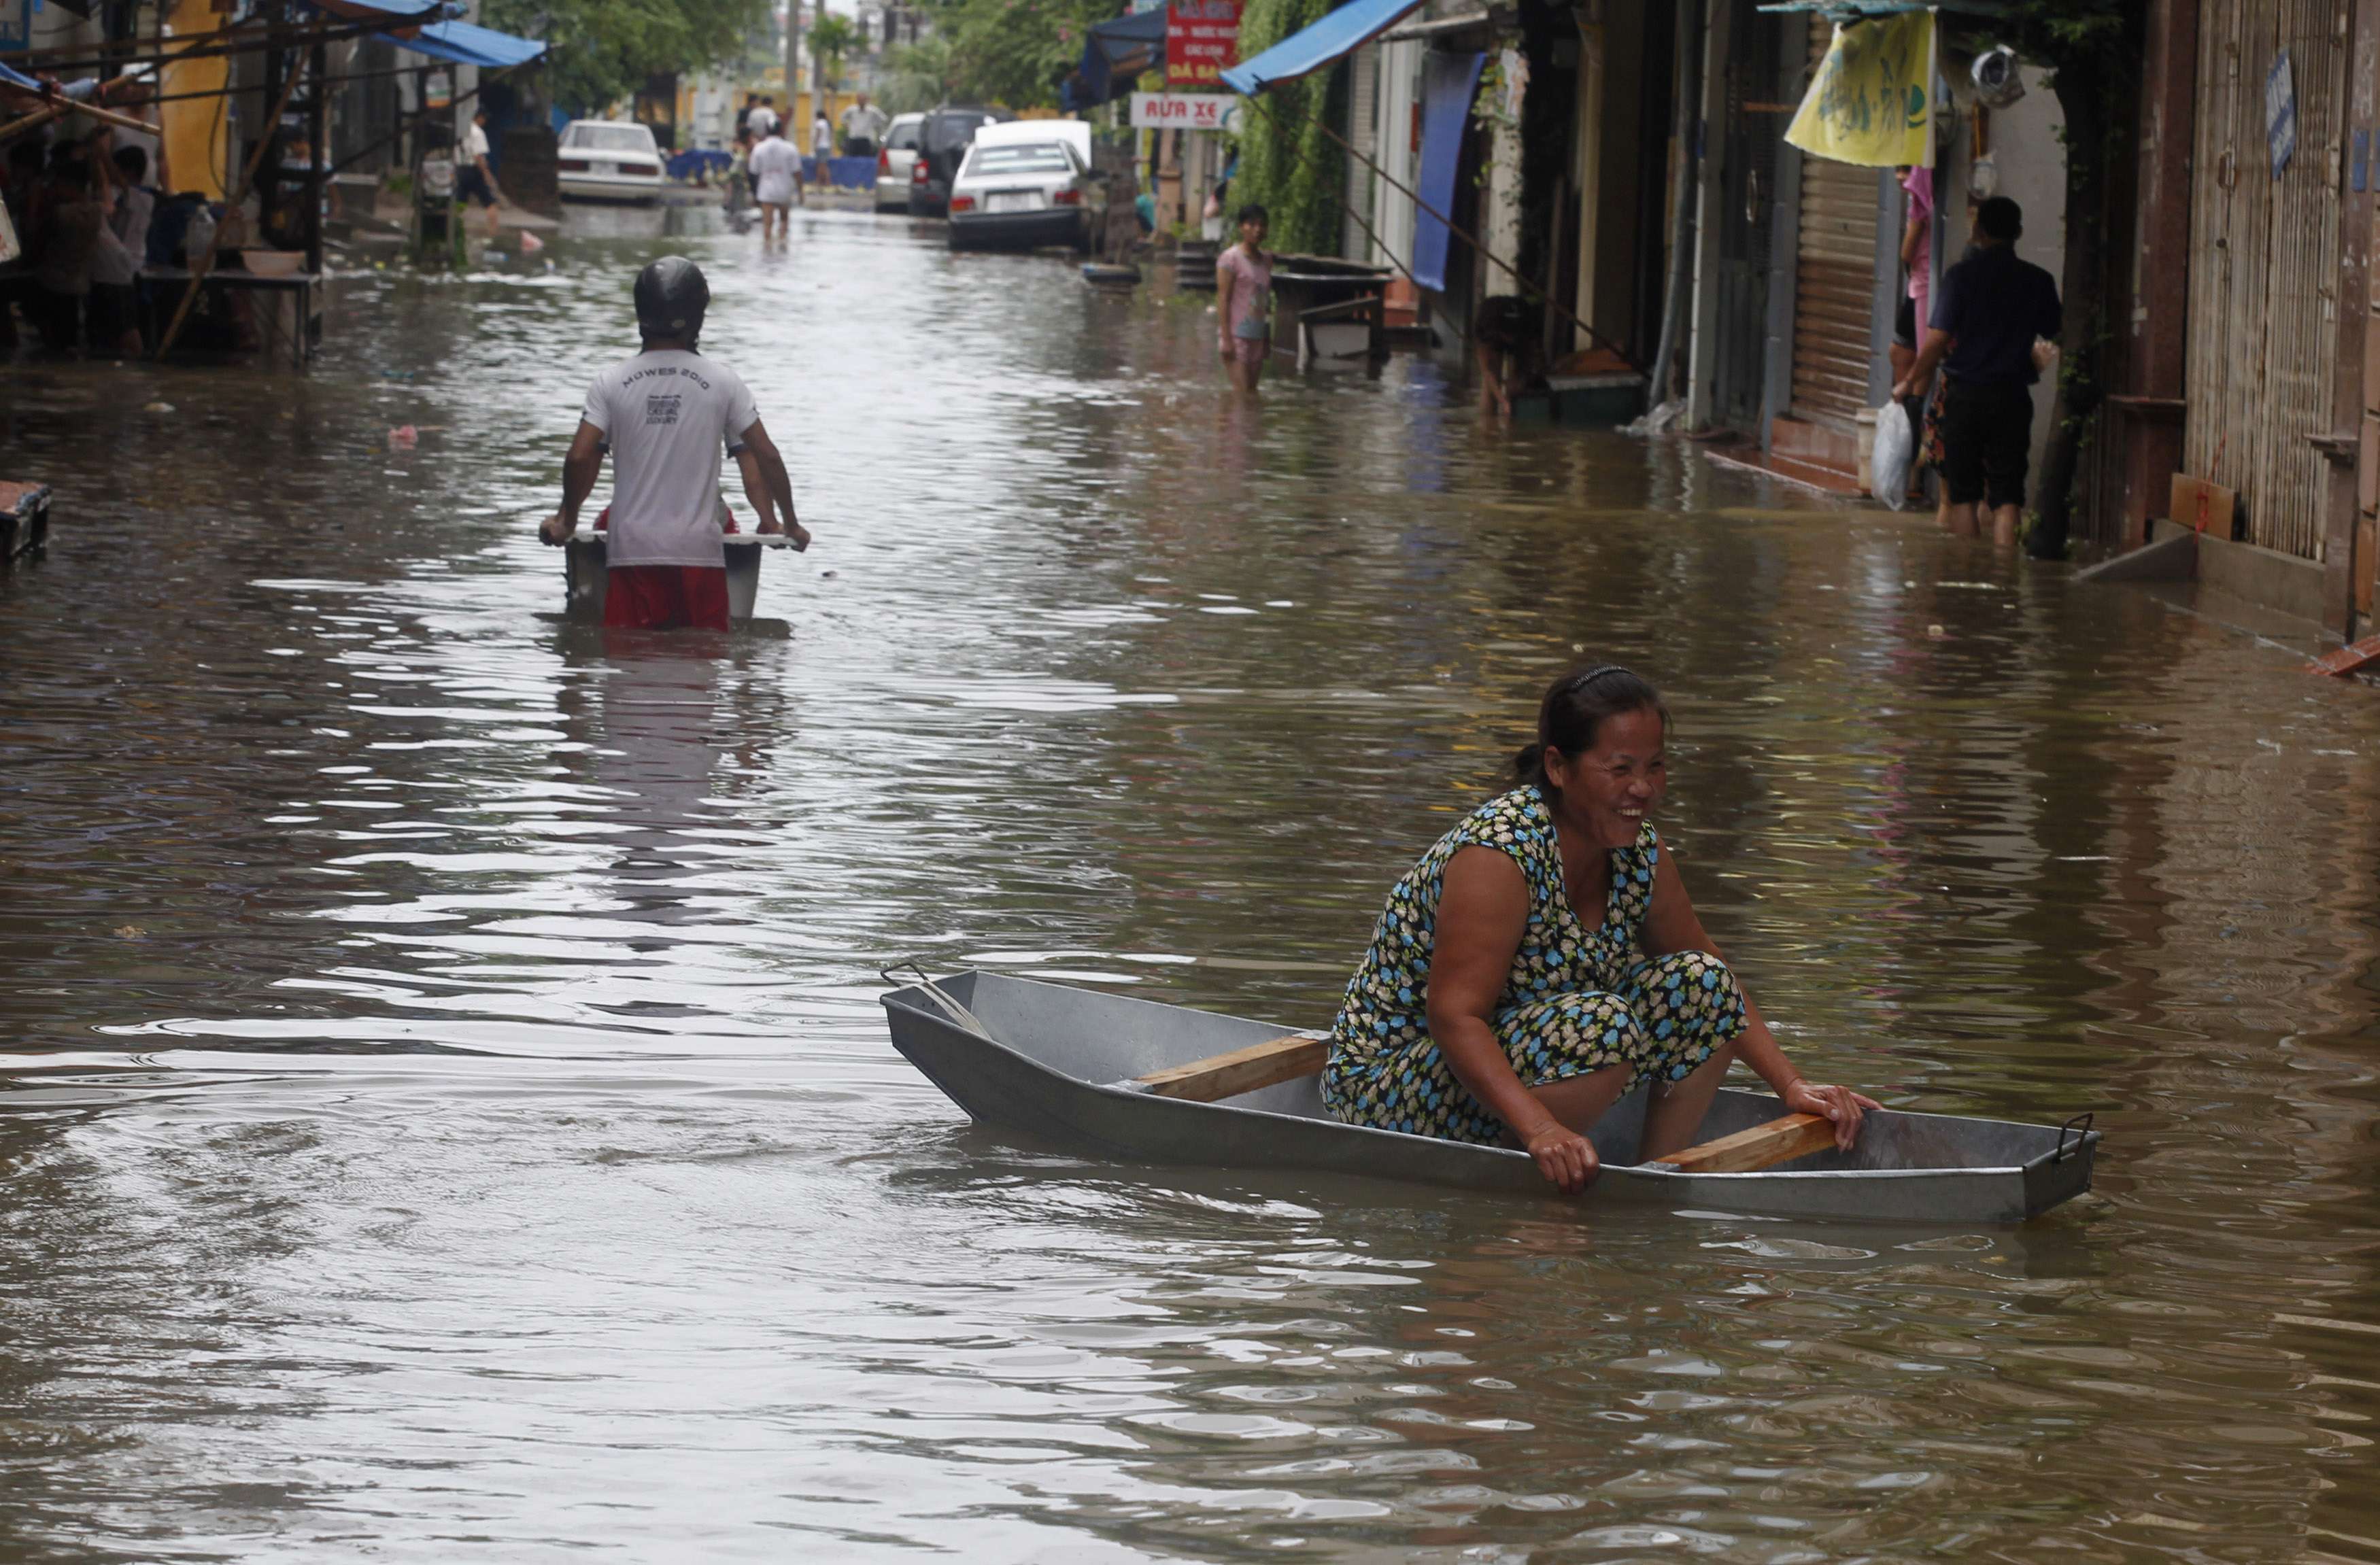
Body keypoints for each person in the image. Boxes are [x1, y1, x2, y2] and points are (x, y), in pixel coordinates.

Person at [1322, 666, 1880, 1194]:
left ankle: (1652, 1182)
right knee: (1602, 1025)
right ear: (1559, 768)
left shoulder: (1638, 850)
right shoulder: (1498, 854)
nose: (1643, 788)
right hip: (1391, 1088)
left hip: (1529, 1058)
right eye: (1620, 769)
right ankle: (1532, 1187)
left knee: (1703, 984)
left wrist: (1792, 1085)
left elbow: (1709, 972)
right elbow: (1455, 1017)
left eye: (1655, 766)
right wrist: (1541, 1129)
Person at [539, 258, 810, 632]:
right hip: (700, 554)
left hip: (630, 553)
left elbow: (580, 456)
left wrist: (566, 520)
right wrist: (788, 524)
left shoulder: (611, 382)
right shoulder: (723, 383)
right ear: (698, 315)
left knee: (627, 668)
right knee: (699, 667)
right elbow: (767, 457)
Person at [1894, 196, 2062, 548]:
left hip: (1965, 397)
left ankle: (1970, 578)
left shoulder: (1961, 278)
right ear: (2018, 231)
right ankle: (2005, 581)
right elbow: (2055, 332)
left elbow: (1937, 340)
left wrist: (1909, 382)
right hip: (2012, 398)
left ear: (1978, 231)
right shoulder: (2038, 281)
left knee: (1964, 495)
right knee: (2007, 496)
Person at [28, 145, 103, 352]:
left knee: (53, 344)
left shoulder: (61, 213)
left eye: (57, 184)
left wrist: (35, 200)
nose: (53, 189)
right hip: (78, 286)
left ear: (70, 185)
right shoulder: (96, 211)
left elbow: (34, 236)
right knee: (68, 344)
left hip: (51, 284)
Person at [1214, 202, 1272, 394]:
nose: (1257, 230)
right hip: (1237, 336)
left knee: (1252, 395)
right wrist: (1226, 339)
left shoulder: (1266, 261)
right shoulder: (1230, 259)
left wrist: (1267, 337)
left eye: (1262, 225)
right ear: (1241, 227)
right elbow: (1223, 298)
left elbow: (1265, 301)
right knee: (1242, 395)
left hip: (1257, 336)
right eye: (1252, 224)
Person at [1888, 162, 1933, 393]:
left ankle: (1913, 413)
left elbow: (1907, 252)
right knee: (1902, 351)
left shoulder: (1921, 193)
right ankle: (1906, 409)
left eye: (1906, 170)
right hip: (1918, 283)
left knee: (1921, 356)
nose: (1899, 177)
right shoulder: (1919, 194)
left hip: (1924, 285)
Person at [747, 124, 801, 241]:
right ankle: (783, 248)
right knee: (784, 220)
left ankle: (767, 251)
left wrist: (754, 194)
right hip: (784, 190)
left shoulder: (759, 148)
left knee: (767, 225)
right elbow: (797, 172)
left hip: (766, 191)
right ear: (782, 131)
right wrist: (801, 192)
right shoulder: (791, 148)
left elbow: (753, 171)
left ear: (766, 131)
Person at [457, 107, 503, 237]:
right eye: (484, 119)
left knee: (459, 204)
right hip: (474, 171)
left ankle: (454, 231)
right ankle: (492, 233)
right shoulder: (478, 133)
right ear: (479, 118)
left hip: (461, 170)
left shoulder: (461, 132)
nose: (485, 122)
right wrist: (487, 174)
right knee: (490, 204)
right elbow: (478, 156)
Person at [839, 92, 887, 156]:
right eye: (859, 99)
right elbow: (842, 118)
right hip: (854, 138)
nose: (861, 101)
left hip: (867, 139)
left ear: (866, 100)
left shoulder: (872, 110)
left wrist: (875, 125)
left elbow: (883, 119)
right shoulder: (851, 110)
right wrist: (847, 126)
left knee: (867, 158)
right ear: (857, 100)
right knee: (853, 159)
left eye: (863, 99)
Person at [809, 109, 833, 192]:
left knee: (820, 165)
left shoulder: (820, 123)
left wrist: (815, 144)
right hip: (826, 146)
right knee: (824, 165)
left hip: (821, 146)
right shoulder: (827, 123)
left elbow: (818, 134)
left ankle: (820, 181)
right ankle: (827, 181)